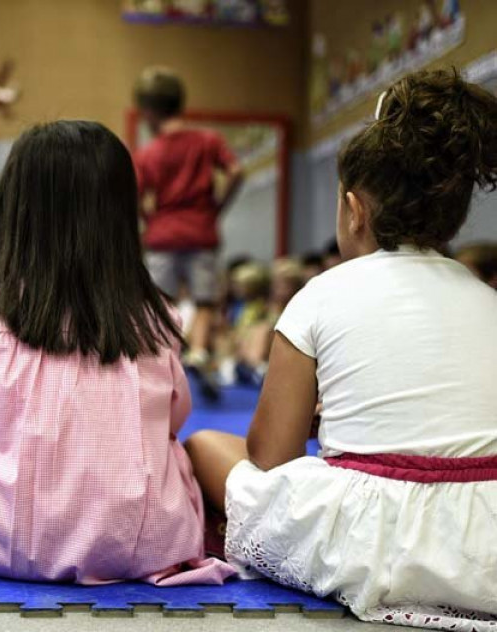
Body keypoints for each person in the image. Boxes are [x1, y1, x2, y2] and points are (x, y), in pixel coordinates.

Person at [185, 69, 497, 628]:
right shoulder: (485, 297)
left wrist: (311, 422)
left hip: (374, 544)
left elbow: (271, 457)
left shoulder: (322, 292)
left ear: (355, 210)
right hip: (487, 546)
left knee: (207, 442)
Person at [0, 121, 235, 586]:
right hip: (146, 544)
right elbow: (172, 421)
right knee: (173, 458)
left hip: (7, 542)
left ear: (14, 213)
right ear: (123, 215)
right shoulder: (155, 319)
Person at [132, 67, 244, 388]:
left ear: (149, 111)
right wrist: (218, 207)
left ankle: (162, 361)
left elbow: (135, 195)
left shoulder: (148, 152)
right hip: (201, 231)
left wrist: (149, 219)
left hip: (163, 235)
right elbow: (235, 171)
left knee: (161, 303)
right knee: (205, 301)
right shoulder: (208, 140)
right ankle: (196, 352)